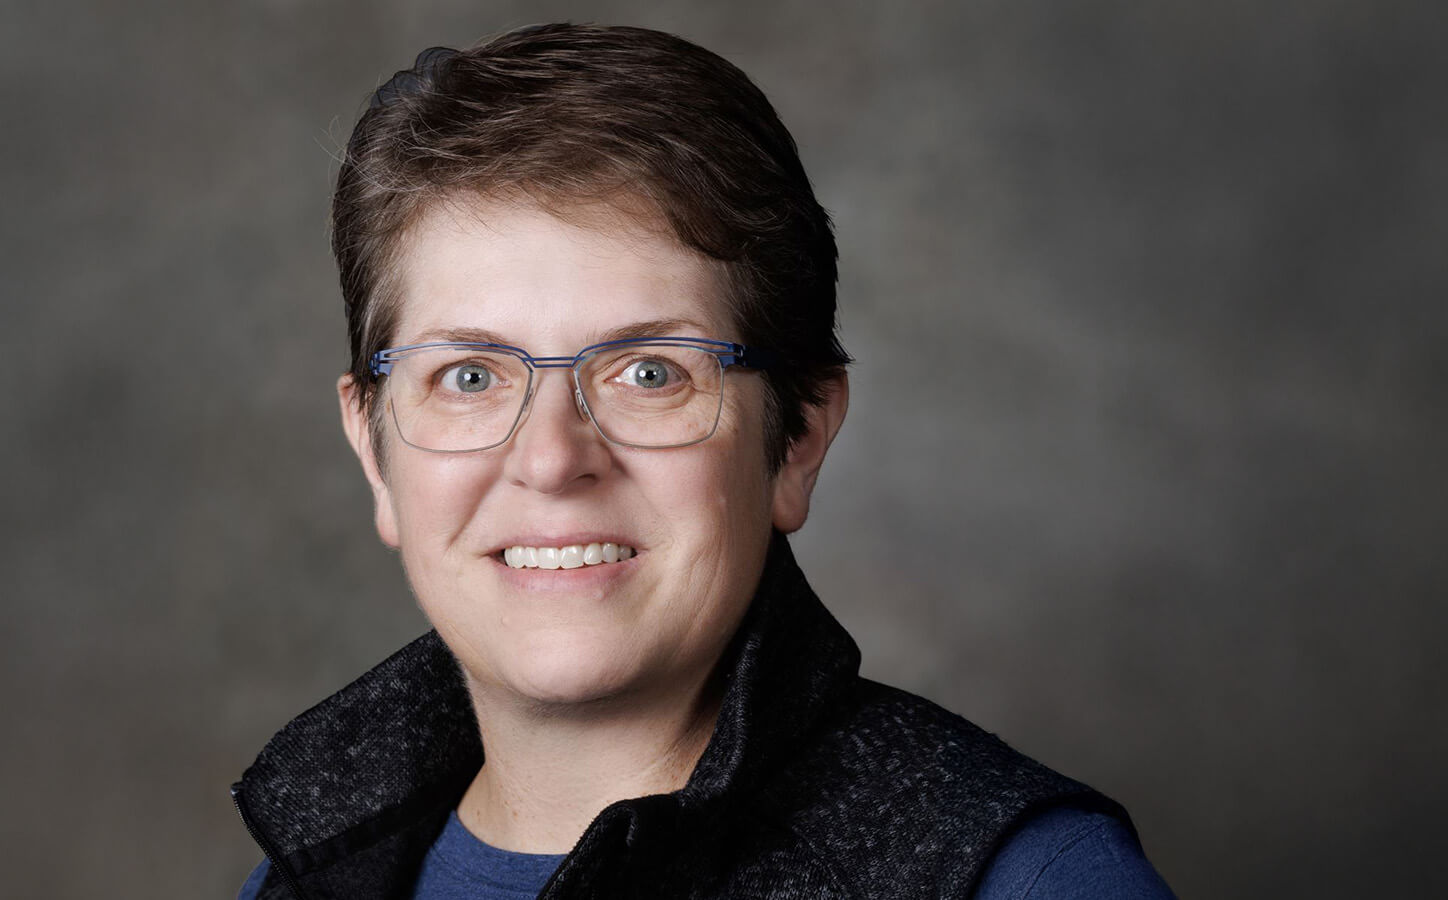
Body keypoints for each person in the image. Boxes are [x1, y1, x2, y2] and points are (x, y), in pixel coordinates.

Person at [231, 23, 1175, 900]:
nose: (553, 459)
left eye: (650, 371)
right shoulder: (298, 878)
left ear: (798, 438)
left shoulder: (1029, 881)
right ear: (373, 448)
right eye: (469, 374)